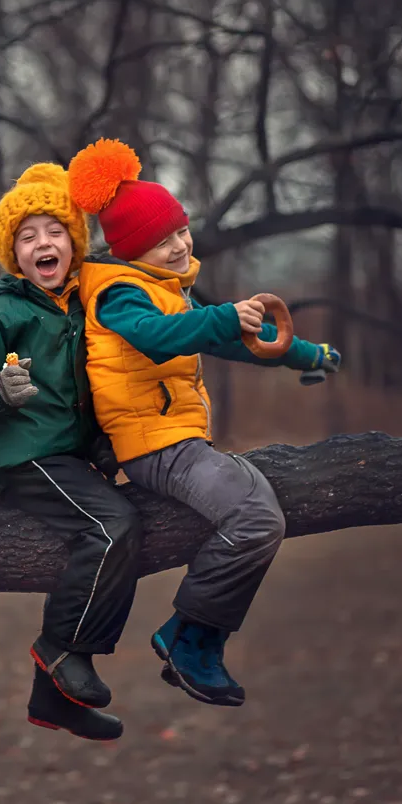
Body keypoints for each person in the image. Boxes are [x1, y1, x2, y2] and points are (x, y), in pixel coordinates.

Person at [68, 137, 343, 706]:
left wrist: (304, 353)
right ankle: (188, 637)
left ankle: (198, 639)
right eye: (160, 240)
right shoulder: (119, 294)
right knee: (255, 517)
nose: (177, 246)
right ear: (131, 250)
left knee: (258, 512)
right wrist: (218, 316)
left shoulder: (168, 291)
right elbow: (158, 341)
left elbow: (241, 341)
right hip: (151, 443)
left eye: (180, 232)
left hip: (175, 437)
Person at [0, 162, 139, 741]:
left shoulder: (85, 304)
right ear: (15, 254)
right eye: (27, 237)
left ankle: (52, 701)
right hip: (26, 455)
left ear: (74, 242)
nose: (42, 243)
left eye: (54, 231)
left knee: (133, 517)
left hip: (74, 453)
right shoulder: (2, 310)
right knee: (113, 524)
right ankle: (62, 650)